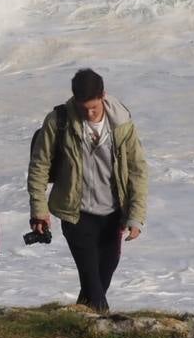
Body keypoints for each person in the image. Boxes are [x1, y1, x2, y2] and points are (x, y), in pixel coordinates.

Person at [27, 68, 149, 312]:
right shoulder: (57, 121)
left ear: (103, 95)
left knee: (100, 282)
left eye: (93, 108)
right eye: (83, 109)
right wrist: (39, 210)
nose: (89, 113)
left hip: (113, 215)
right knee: (93, 284)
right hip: (76, 214)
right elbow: (38, 167)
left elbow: (138, 170)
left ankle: (75, 325)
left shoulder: (122, 124)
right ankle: (104, 334)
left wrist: (136, 216)